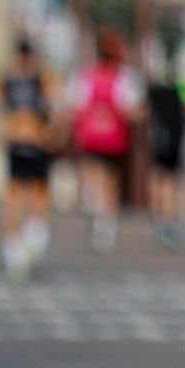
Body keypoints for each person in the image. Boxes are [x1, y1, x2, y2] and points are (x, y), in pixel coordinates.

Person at [72, 28, 144, 252]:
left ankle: (95, 209)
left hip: (91, 135)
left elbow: (76, 107)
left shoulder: (86, 76)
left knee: (93, 175)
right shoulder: (124, 78)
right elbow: (130, 110)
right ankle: (106, 223)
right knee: (109, 181)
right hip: (113, 137)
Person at [0, 36, 60, 280]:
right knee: (13, 198)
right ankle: (13, 252)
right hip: (16, 147)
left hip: (37, 147)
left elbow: (57, 112)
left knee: (38, 197)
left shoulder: (43, 82)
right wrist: (4, 132)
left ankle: (35, 240)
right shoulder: (6, 82)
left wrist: (50, 136)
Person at [146, 49, 185, 251]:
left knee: (162, 179)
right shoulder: (184, 87)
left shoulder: (156, 89)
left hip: (162, 139)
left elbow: (145, 112)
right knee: (173, 181)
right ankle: (171, 221)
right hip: (175, 139)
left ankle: (163, 219)